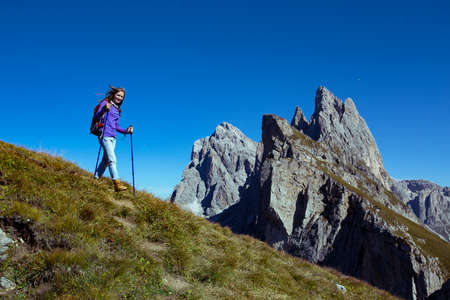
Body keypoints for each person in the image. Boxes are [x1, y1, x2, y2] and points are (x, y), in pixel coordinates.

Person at [94, 85, 133, 192]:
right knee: (112, 159)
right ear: (114, 94)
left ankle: (95, 179)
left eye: (122, 97)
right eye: (118, 95)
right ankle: (116, 183)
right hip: (104, 135)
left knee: (106, 160)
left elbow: (116, 126)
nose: (120, 98)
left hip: (113, 137)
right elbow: (97, 116)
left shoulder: (117, 110)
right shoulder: (106, 103)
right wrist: (104, 109)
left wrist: (127, 131)